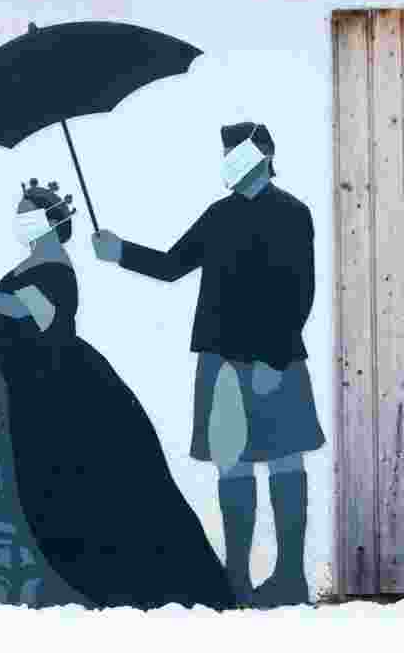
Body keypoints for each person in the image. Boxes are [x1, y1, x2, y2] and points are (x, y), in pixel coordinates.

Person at [0, 178, 236, 611]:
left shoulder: (57, 268)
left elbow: (29, 311)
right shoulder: (31, 262)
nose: (20, 220)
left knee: (68, 483)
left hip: (50, 383)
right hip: (6, 370)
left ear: (50, 220)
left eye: (27, 212)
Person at [91, 122, 326, 608]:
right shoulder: (218, 215)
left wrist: (276, 358)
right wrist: (119, 252)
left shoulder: (293, 213)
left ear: (260, 155)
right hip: (219, 359)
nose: (225, 157)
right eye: (223, 151)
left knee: (285, 460)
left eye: (232, 150)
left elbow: (300, 291)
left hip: (274, 361)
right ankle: (237, 581)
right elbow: (174, 264)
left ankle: (290, 580)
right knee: (232, 465)